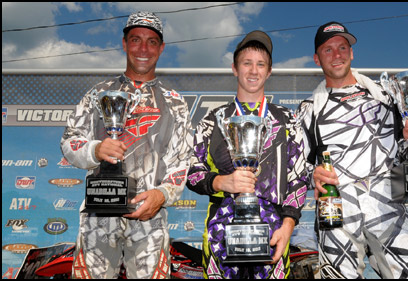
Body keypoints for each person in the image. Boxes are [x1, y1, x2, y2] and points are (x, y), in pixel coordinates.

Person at [60, 11, 193, 279]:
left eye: (152, 41)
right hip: (98, 217)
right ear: (124, 43)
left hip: (150, 218)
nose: (143, 49)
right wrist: (95, 150)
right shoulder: (97, 94)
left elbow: (182, 159)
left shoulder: (175, 102)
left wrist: (162, 195)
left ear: (162, 48)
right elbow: (69, 141)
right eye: (135, 40)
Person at [296, 21, 408, 279]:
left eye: (342, 47)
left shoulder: (385, 96)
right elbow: (298, 167)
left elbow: (401, 156)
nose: (337, 55)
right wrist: (313, 175)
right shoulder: (308, 109)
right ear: (316, 59)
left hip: (388, 207)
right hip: (337, 213)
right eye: (328, 50)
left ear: (352, 53)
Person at [186, 30, 309, 279]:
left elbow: (299, 178)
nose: (254, 71)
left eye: (261, 64)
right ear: (234, 68)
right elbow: (191, 172)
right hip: (221, 231)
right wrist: (221, 181)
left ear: (269, 71)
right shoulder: (214, 119)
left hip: (273, 232)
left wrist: (287, 227)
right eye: (247, 63)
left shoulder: (288, 119)